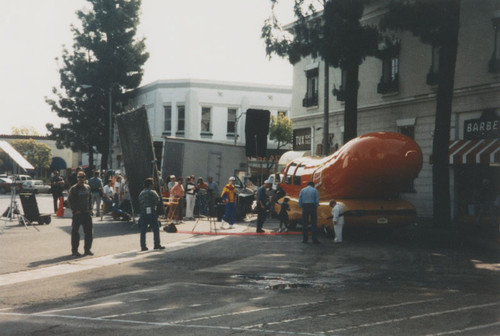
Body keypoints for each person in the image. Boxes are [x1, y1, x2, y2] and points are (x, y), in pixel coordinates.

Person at [67, 171, 93, 257]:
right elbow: (70, 201)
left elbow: (90, 199)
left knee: (89, 232)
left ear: (85, 178)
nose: (80, 179)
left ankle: (87, 249)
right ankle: (74, 250)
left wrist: (90, 209)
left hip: (86, 213)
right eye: (78, 177)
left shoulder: (87, 187)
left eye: (82, 177)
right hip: (78, 214)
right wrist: (74, 210)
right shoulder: (73, 188)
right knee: (75, 232)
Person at [138, 177, 165, 251]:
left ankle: (143, 246)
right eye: (152, 183)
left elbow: (139, 202)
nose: (153, 185)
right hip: (151, 210)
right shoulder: (152, 192)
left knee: (143, 229)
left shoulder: (141, 193)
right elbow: (157, 200)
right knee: (155, 228)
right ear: (150, 184)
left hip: (143, 211)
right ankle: (157, 244)